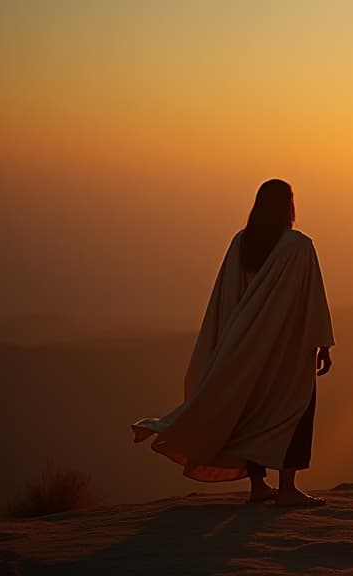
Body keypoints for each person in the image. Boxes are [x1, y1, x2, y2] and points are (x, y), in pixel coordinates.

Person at [132, 179, 335, 507]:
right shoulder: (299, 246)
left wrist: (230, 346)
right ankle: (287, 488)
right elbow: (312, 299)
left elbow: (227, 299)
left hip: (248, 349)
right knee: (294, 410)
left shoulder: (242, 243)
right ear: (289, 206)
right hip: (289, 351)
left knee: (252, 411)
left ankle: (258, 486)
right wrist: (323, 345)